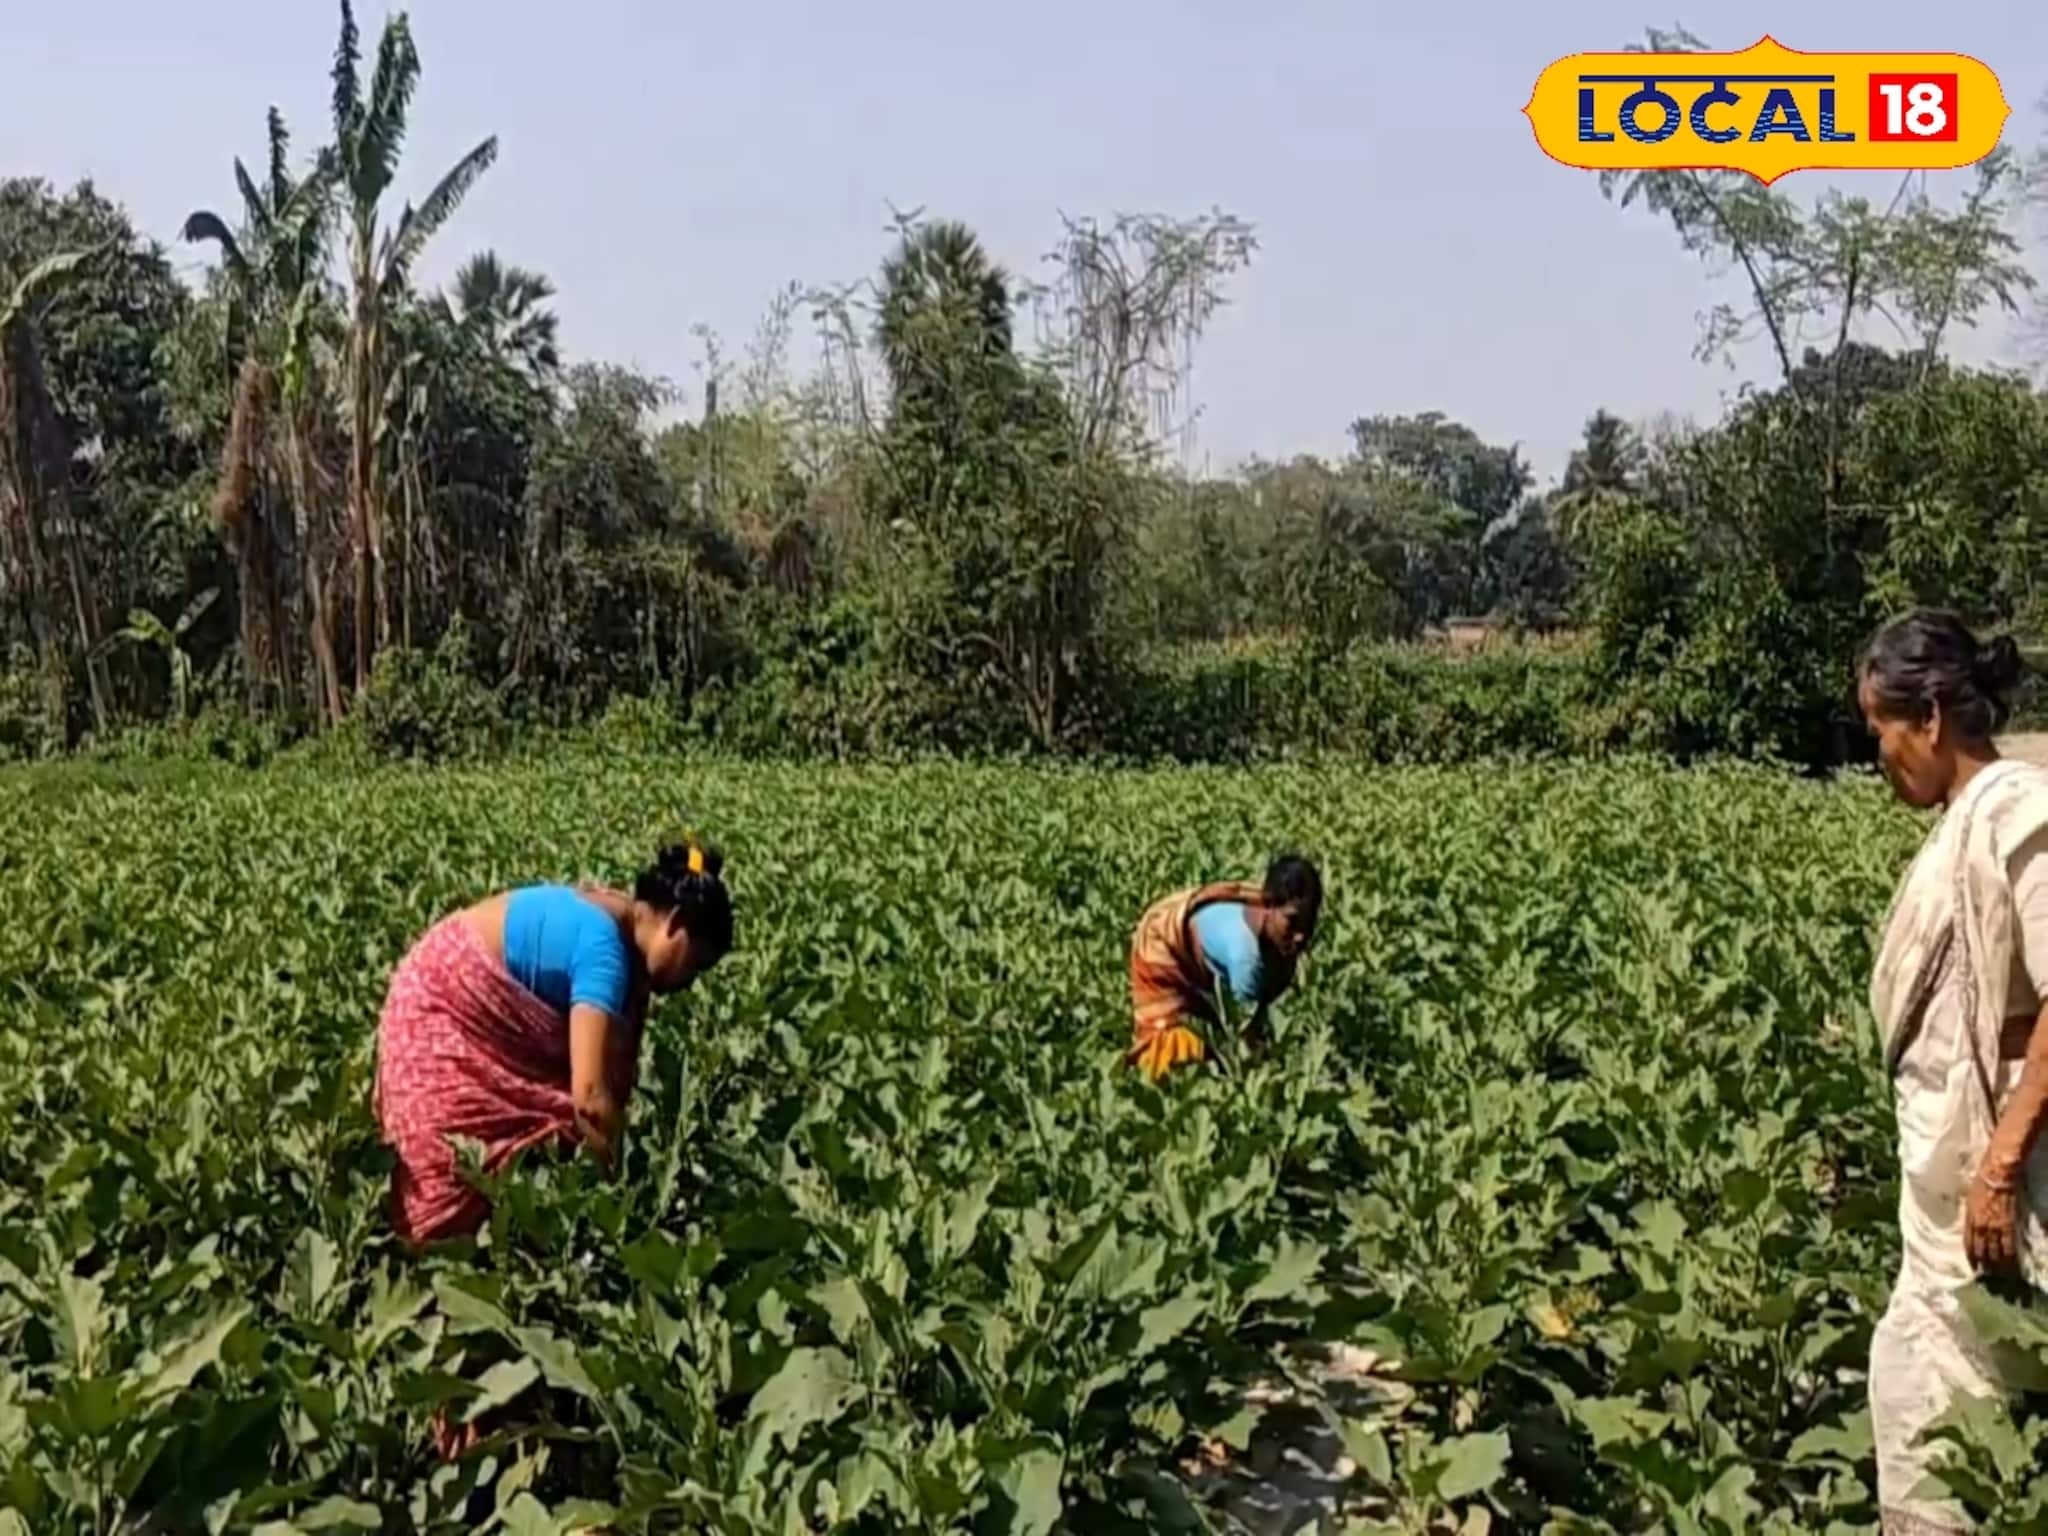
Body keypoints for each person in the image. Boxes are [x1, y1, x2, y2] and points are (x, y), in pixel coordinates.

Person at [1860, 609, 2048, 1533]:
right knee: (1918, 1392)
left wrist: (2000, 1170)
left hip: (2003, 1195)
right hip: (1944, 1203)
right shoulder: (1960, 826)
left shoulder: (2016, 810)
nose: (1879, 755)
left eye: (1881, 730)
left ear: (1930, 718)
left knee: (1960, 1408)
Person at [373, 838, 733, 1247]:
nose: (690, 980)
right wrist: (618, 1200)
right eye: (695, 962)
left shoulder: (623, 919)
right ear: (676, 923)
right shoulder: (605, 953)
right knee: (444, 1185)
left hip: (451, 981)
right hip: (443, 1006)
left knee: (536, 1146)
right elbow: (590, 1099)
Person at [1127, 855, 1322, 1079]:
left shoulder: (1275, 932)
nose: (1301, 935)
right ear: (1268, 905)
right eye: (1292, 921)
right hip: (1165, 946)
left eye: (1309, 921)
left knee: (1212, 1032)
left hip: (1201, 960)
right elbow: (1244, 1036)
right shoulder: (1246, 959)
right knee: (1174, 1046)